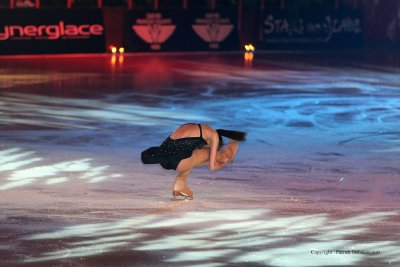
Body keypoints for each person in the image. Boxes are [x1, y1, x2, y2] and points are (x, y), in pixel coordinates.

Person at [141, 123, 246, 200]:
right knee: (216, 155)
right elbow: (212, 166)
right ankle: (233, 145)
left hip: (165, 161)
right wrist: (224, 162)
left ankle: (180, 183)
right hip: (179, 161)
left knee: (193, 154)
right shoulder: (212, 134)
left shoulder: (189, 126)